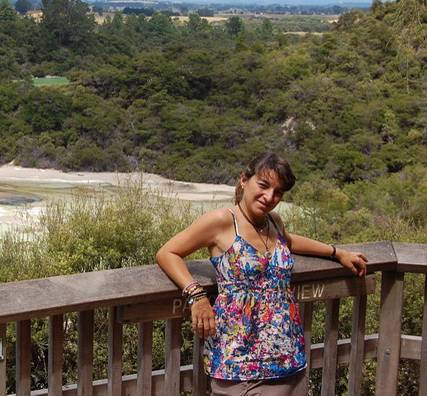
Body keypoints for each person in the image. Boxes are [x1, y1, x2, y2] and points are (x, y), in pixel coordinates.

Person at [156, 152, 368, 395]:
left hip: (287, 356)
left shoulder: (273, 221)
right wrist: (196, 295)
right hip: (238, 360)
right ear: (244, 180)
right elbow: (168, 252)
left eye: (278, 192)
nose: (269, 197)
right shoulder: (221, 221)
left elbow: (289, 242)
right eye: (264, 185)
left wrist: (337, 253)